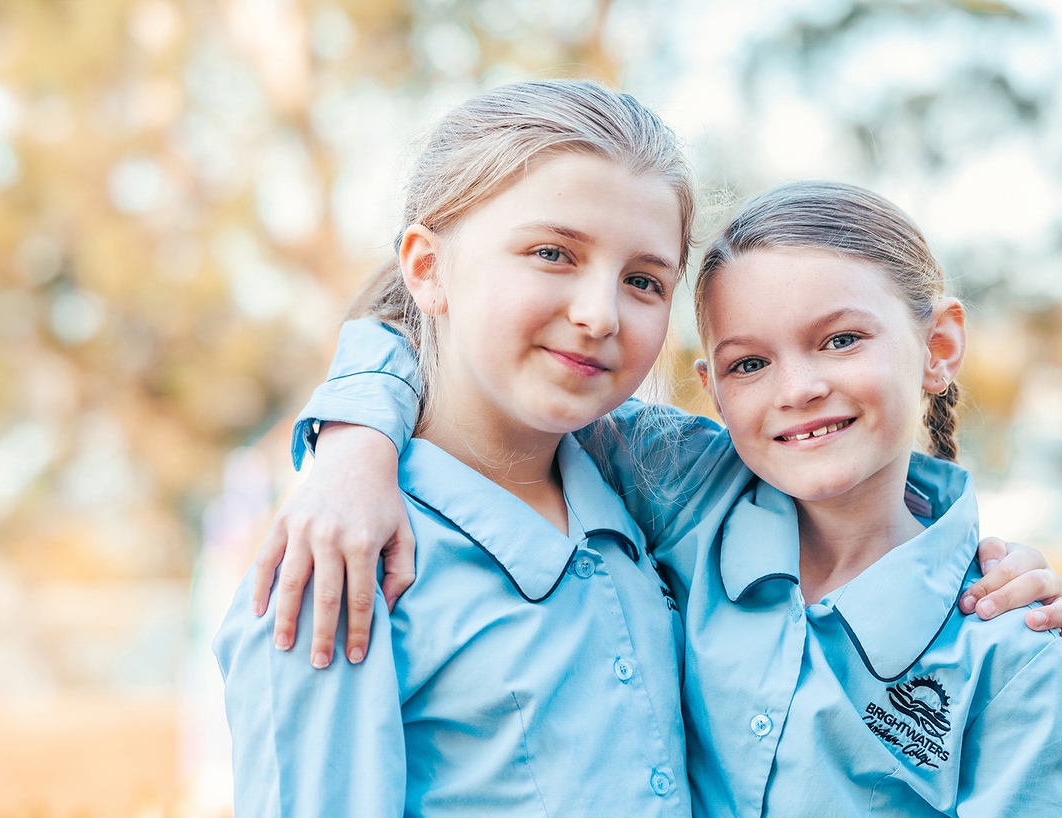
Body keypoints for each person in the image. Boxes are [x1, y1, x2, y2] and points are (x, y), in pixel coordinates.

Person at [263, 181, 1062, 815]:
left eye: (840, 340)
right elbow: (463, 337)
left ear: (938, 345)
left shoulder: (1012, 644)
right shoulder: (689, 488)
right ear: (711, 387)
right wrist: (353, 441)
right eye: (748, 364)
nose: (798, 388)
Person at [214, 79, 702, 816]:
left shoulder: (645, 497)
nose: (600, 314)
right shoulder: (342, 558)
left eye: (643, 280)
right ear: (426, 268)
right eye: (553, 253)